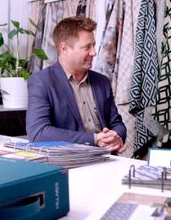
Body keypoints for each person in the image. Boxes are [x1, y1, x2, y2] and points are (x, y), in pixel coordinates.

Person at [26, 16, 127, 154]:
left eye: (93, 45)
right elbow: (38, 133)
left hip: (108, 159)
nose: (94, 52)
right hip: (69, 164)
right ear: (64, 49)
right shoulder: (41, 82)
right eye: (87, 47)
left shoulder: (102, 82)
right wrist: (94, 139)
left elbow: (116, 124)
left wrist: (116, 137)